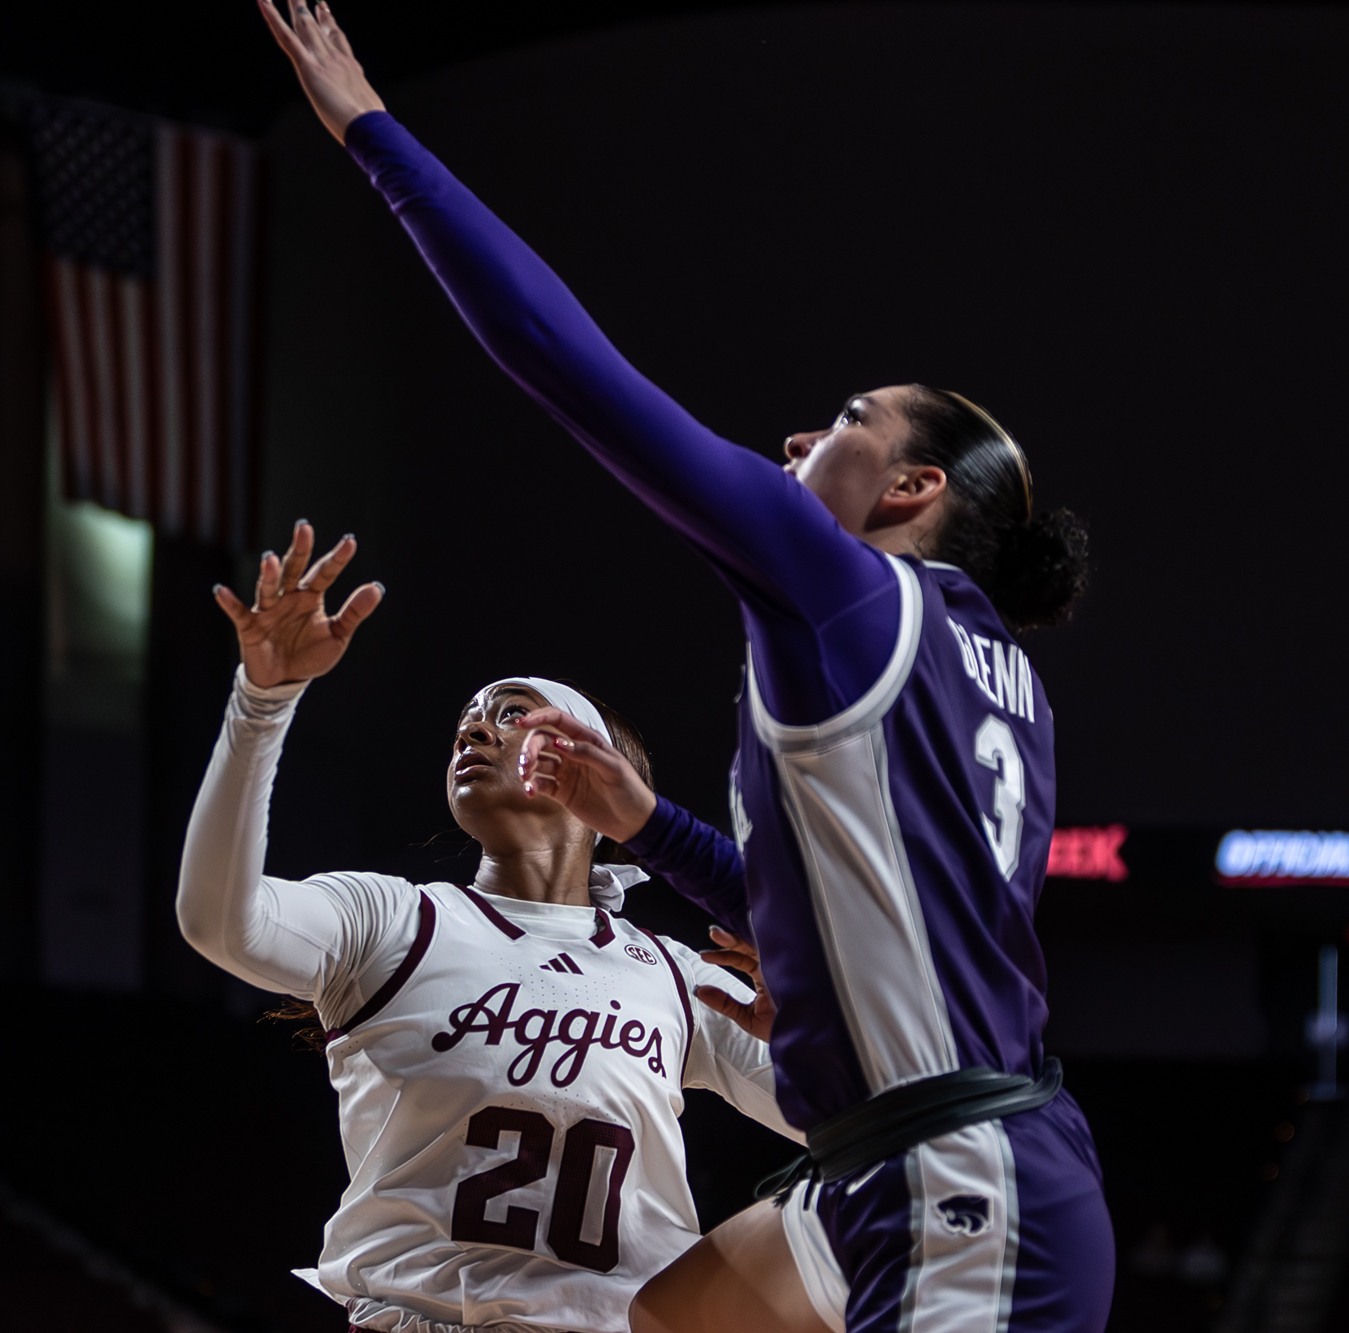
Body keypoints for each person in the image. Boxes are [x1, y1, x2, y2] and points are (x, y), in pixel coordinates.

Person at [255, 5, 1111, 1330]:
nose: (797, 435)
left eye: (844, 421)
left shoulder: (841, 586)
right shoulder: (998, 673)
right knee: (664, 1319)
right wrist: (647, 828)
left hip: (955, 1173)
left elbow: (569, 369)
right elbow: (825, 906)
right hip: (893, 1158)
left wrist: (373, 134)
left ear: (910, 488)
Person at [176, 521, 802, 1333]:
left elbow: (864, 1120)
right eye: (469, 719)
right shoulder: (394, 918)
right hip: (418, 1317)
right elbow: (220, 922)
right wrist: (262, 703)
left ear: (598, 764)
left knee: (861, 1221)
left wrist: (816, 1038)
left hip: (616, 1324)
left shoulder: (676, 973)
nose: (474, 729)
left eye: (512, 715)